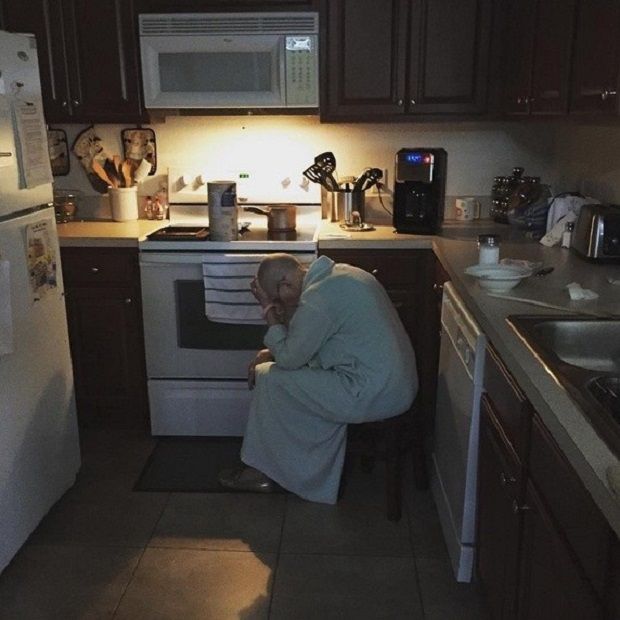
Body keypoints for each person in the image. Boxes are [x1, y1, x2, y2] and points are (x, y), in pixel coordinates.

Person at [218, 253, 418, 504]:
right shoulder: (344, 273)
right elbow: (311, 339)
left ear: (285, 286)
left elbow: (291, 359)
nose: (281, 309)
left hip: (373, 392)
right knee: (284, 376)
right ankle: (284, 468)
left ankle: (264, 473)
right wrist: (270, 350)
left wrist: (267, 311)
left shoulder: (317, 299)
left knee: (269, 377)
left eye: (279, 301)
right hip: (396, 384)